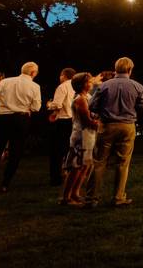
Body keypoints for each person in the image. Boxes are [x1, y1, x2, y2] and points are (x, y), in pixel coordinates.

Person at [87, 57, 143, 207]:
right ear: (130, 70)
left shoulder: (105, 86)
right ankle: (118, 197)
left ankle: (91, 199)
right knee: (122, 163)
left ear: (116, 69)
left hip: (107, 125)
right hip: (127, 126)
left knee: (99, 162)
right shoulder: (138, 86)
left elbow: (92, 105)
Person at [0, 62, 41, 193]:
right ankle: (5, 184)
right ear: (33, 73)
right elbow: (36, 107)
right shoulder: (35, 86)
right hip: (20, 119)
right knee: (15, 152)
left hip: (2, 118)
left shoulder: (6, 82)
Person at [61, 73, 99, 206]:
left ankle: (75, 193)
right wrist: (102, 124)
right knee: (76, 167)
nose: (91, 84)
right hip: (81, 136)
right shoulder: (80, 99)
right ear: (82, 84)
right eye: (89, 82)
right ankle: (66, 197)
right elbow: (87, 121)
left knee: (84, 167)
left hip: (88, 135)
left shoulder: (87, 97)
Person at [47, 67, 76, 186]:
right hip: (74, 121)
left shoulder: (62, 86)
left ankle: (56, 178)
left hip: (63, 121)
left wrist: (49, 105)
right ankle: (70, 175)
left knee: (56, 151)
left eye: (60, 75)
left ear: (63, 76)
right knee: (71, 149)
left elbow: (57, 105)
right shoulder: (76, 85)